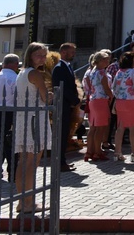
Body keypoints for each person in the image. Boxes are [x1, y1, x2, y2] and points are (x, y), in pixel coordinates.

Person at [14, 43, 52, 213]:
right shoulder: (34, 73)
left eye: (44, 55)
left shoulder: (21, 73)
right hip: (35, 119)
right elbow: (45, 98)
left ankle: (22, 201)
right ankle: (28, 202)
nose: (43, 58)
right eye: (39, 55)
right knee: (32, 162)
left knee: (24, 161)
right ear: (30, 55)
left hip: (24, 118)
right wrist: (50, 95)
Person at [51, 42, 79, 172]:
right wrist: (74, 99)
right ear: (63, 52)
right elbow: (61, 88)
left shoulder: (67, 66)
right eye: (71, 52)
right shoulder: (59, 68)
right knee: (60, 135)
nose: (73, 54)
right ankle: (59, 163)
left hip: (67, 106)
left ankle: (62, 161)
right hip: (62, 106)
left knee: (64, 135)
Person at [111, 51, 134, 162]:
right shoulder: (133, 72)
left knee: (120, 127)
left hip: (120, 101)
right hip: (132, 101)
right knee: (133, 128)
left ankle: (117, 152)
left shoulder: (119, 72)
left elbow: (114, 88)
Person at [83, 49, 112, 161]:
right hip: (100, 100)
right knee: (100, 128)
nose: (107, 62)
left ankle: (89, 151)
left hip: (93, 100)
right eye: (105, 60)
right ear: (99, 61)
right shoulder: (101, 72)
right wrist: (112, 96)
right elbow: (106, 88)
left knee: (93, 127)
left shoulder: (92, 71)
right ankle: (97, 151)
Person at [0, 53, 19, 181]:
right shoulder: (16, 79)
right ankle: (13, 172)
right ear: (14, 64)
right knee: (11, 143)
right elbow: (18, 98)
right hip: (10, 112)